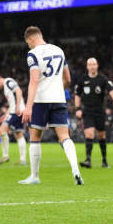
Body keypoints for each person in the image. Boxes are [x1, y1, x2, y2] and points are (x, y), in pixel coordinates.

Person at [19, 26, 83, 185]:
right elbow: (68, 79)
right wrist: (58, 89)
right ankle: (76, 170)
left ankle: (34, 176)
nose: (29, 46)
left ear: (31, 39)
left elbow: (34, 80)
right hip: (59, 99)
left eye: (28, 43)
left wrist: (28, 106)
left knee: (35, 137)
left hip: (40, 101)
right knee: (65, 137)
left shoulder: (33, 54)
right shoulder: (59, 50)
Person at [74, 57, 113, 168]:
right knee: (89, 134)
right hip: (87, 111)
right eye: (90, 64)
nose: (92, 66)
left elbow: (111, 90)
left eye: (94, 64)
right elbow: (77, 95)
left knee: (101, 135)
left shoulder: (102, 79)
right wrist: (78, 109)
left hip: (99, 111)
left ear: (97, 66)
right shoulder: (82, 80)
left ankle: (104, 161)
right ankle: (88, 160)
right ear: (87, 67)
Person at [0, 74, 28, 165]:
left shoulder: (8, 82)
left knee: (1, 130)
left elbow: (19, 91)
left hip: (16, 112)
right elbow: (12, 102)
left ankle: (5, 156)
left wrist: (17, 107)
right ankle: (23, 160)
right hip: (16, 111)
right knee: (18, 134)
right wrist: (6, 114)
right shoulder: (6, 86)